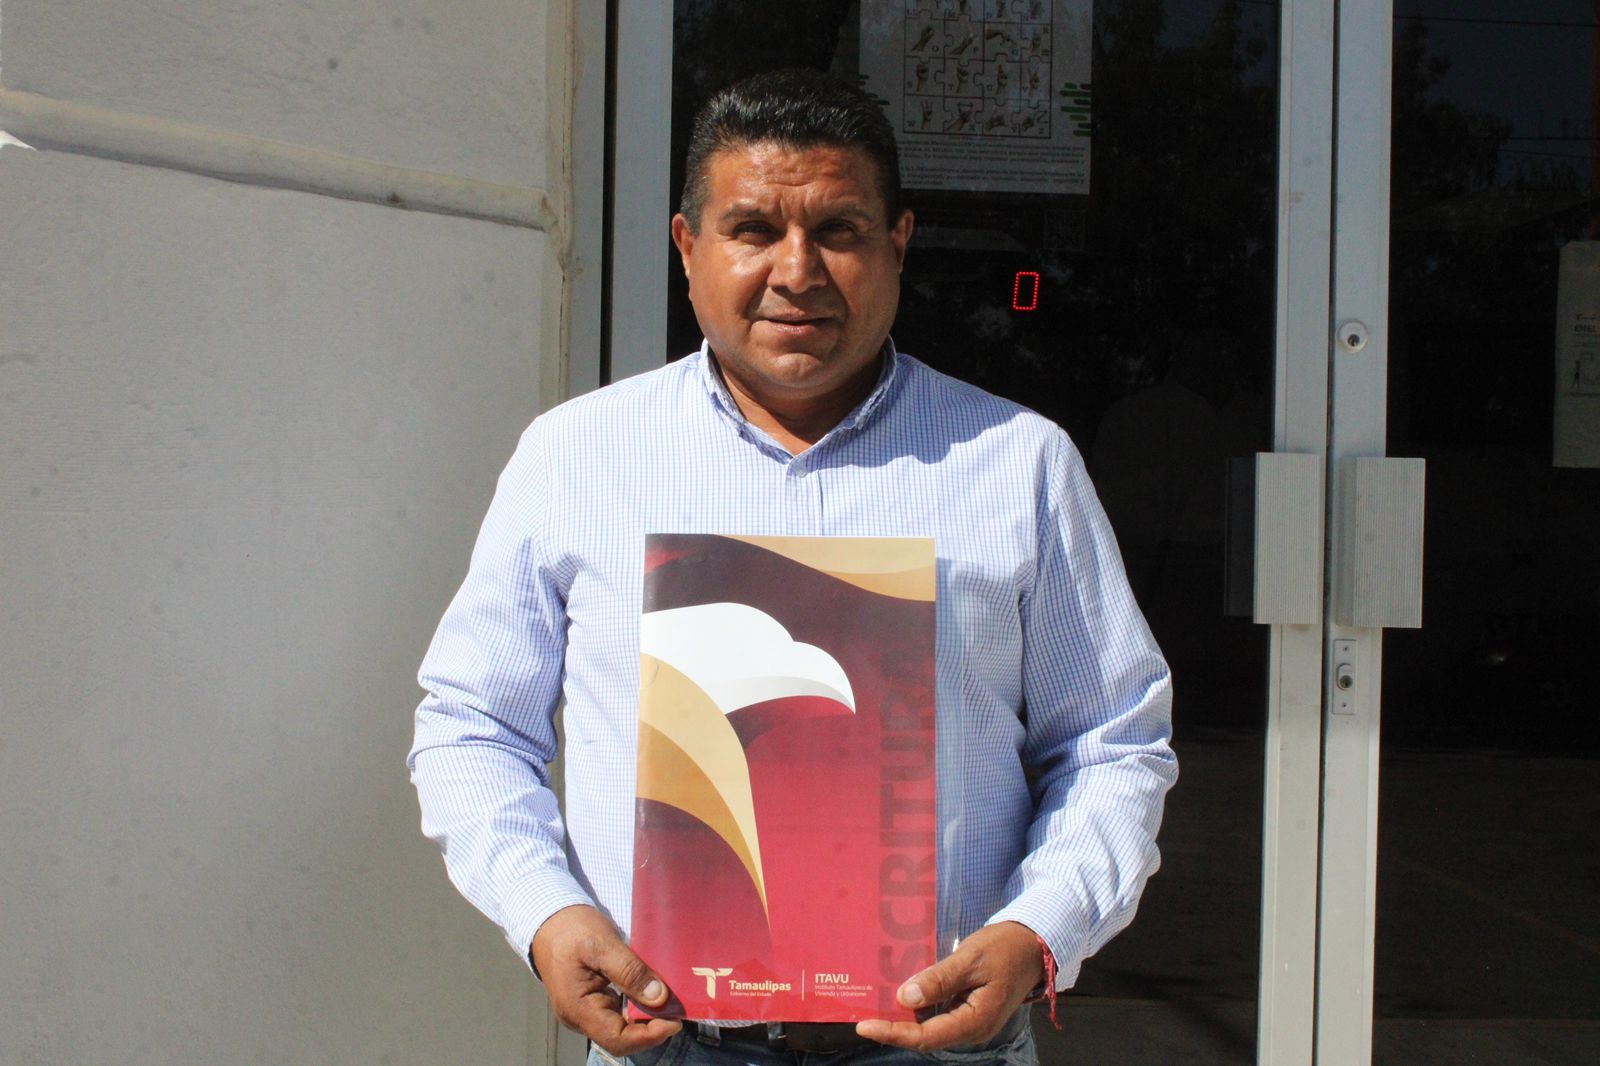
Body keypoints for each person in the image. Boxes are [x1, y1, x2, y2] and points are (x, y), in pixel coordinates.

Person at [409, 68, 1175, 1066]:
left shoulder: (1016, 464)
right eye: (753, 229)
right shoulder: (578, 458)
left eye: (839, 231)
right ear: (687, 246)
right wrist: (545, 913)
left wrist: (1040, 931)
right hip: (668, 1040)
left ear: (898, 243)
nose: (797, 269)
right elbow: (471, 725)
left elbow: (1112, 744)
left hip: (941, 1043)